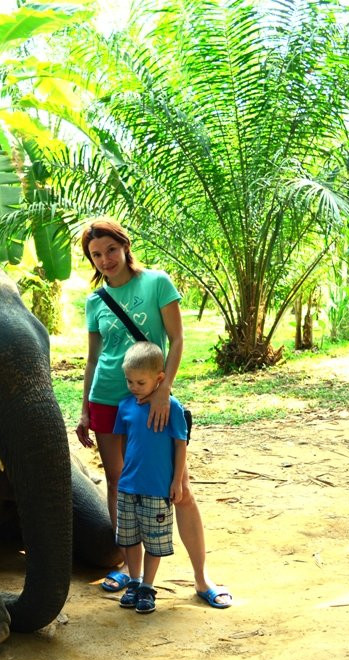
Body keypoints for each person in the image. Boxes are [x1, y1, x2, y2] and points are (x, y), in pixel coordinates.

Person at [75, 218, 232, 608]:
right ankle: (132, 573)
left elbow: (177, 340)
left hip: (152, 400)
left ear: (125, 246)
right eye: (97, 255)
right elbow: (94, 358)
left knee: (177, 488)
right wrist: (83, 410)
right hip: (108, 399)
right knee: (119, 484)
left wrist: (164, 391)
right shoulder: (95, 301)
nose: (106, 260)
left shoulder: (157, 282)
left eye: (111, 250)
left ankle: (201, 578)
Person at [112, 341, 187, 614]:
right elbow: (124, 443)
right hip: (128, 486)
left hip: (158, 488)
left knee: (154, 540)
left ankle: (148, 586)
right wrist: (125, 474)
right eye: (129, 381)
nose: (133, 387)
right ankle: (134, 581)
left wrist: (177, 481)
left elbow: (180, 445)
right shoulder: (125, 406)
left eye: (140, 382)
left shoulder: (173, 408)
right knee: (130, 538)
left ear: (160, 378)